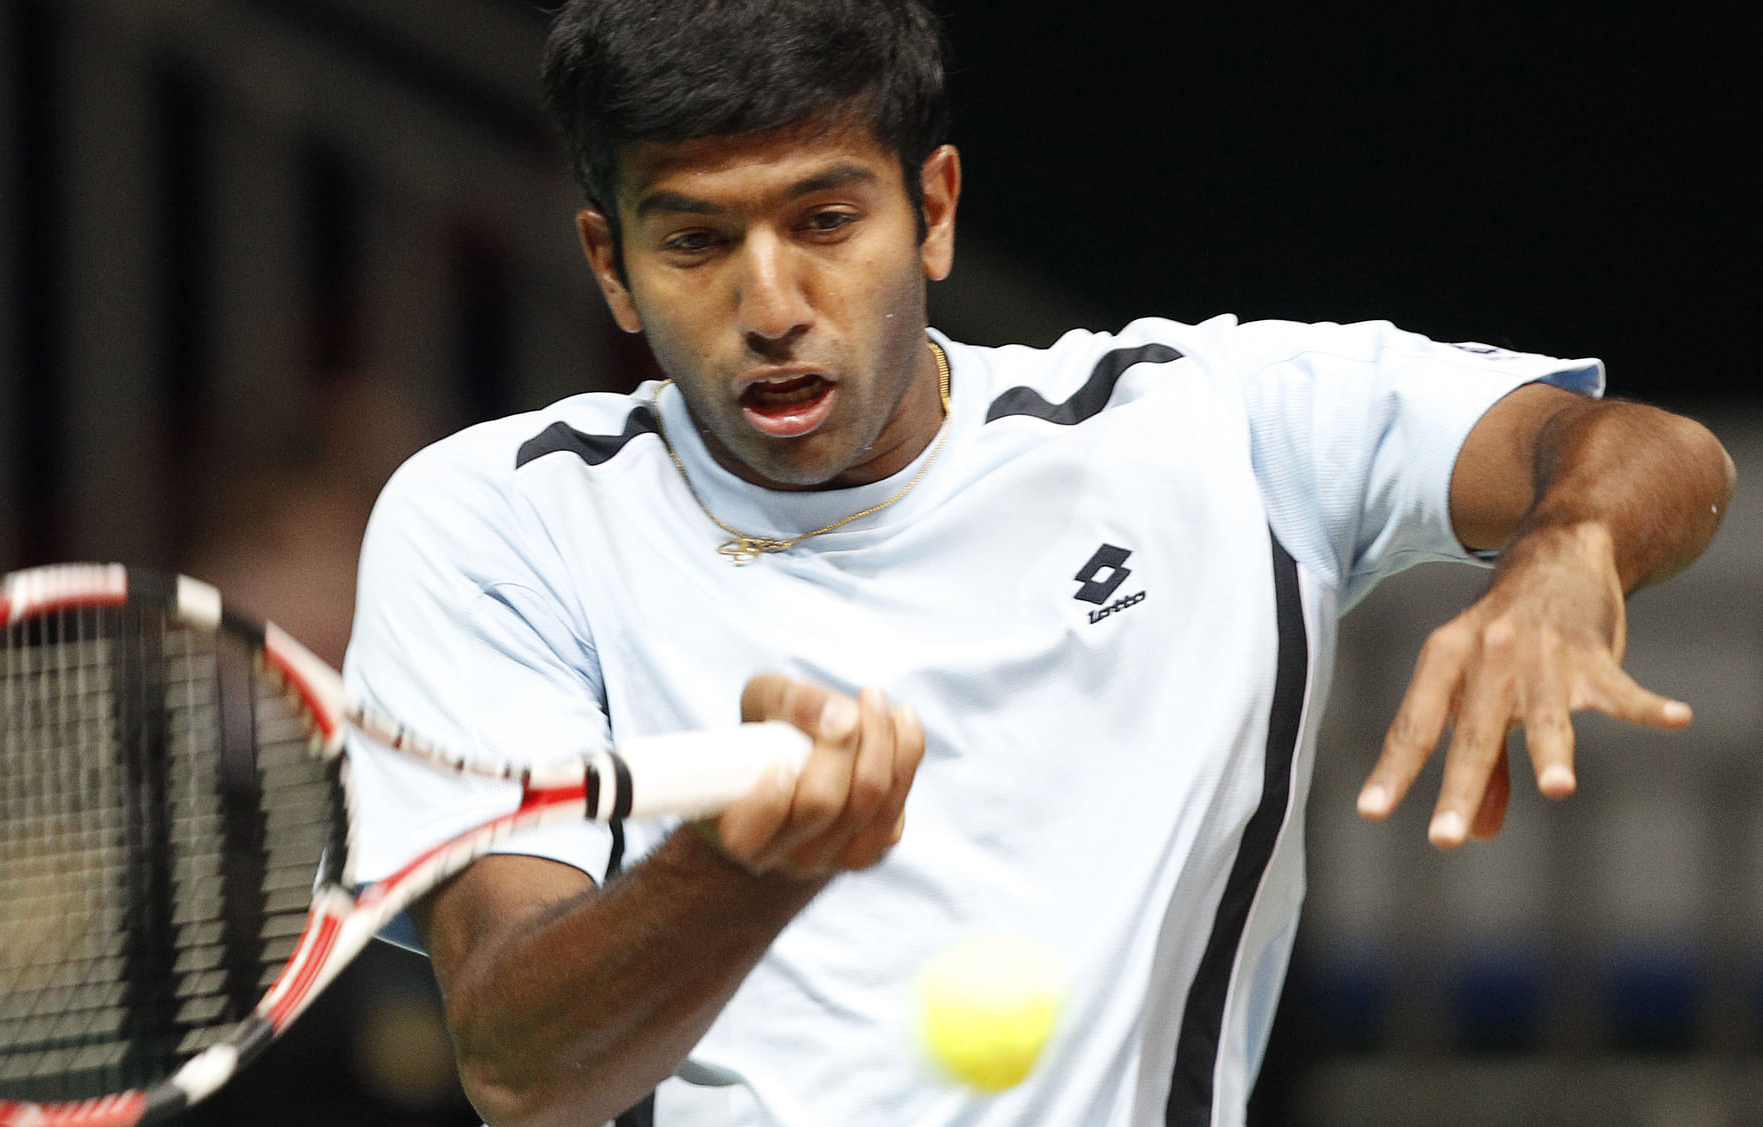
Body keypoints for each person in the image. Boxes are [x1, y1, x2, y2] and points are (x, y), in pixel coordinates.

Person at [339, 2, 1737, 1124]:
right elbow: (523, 1068)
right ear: (608, 262)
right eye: (696, 241)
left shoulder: (1215, 427)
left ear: (934, 210)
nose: (770, 306)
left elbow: (1658, 453)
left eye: (828, 221)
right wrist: (752, 868)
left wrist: (1569, 551)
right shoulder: (493, 524)